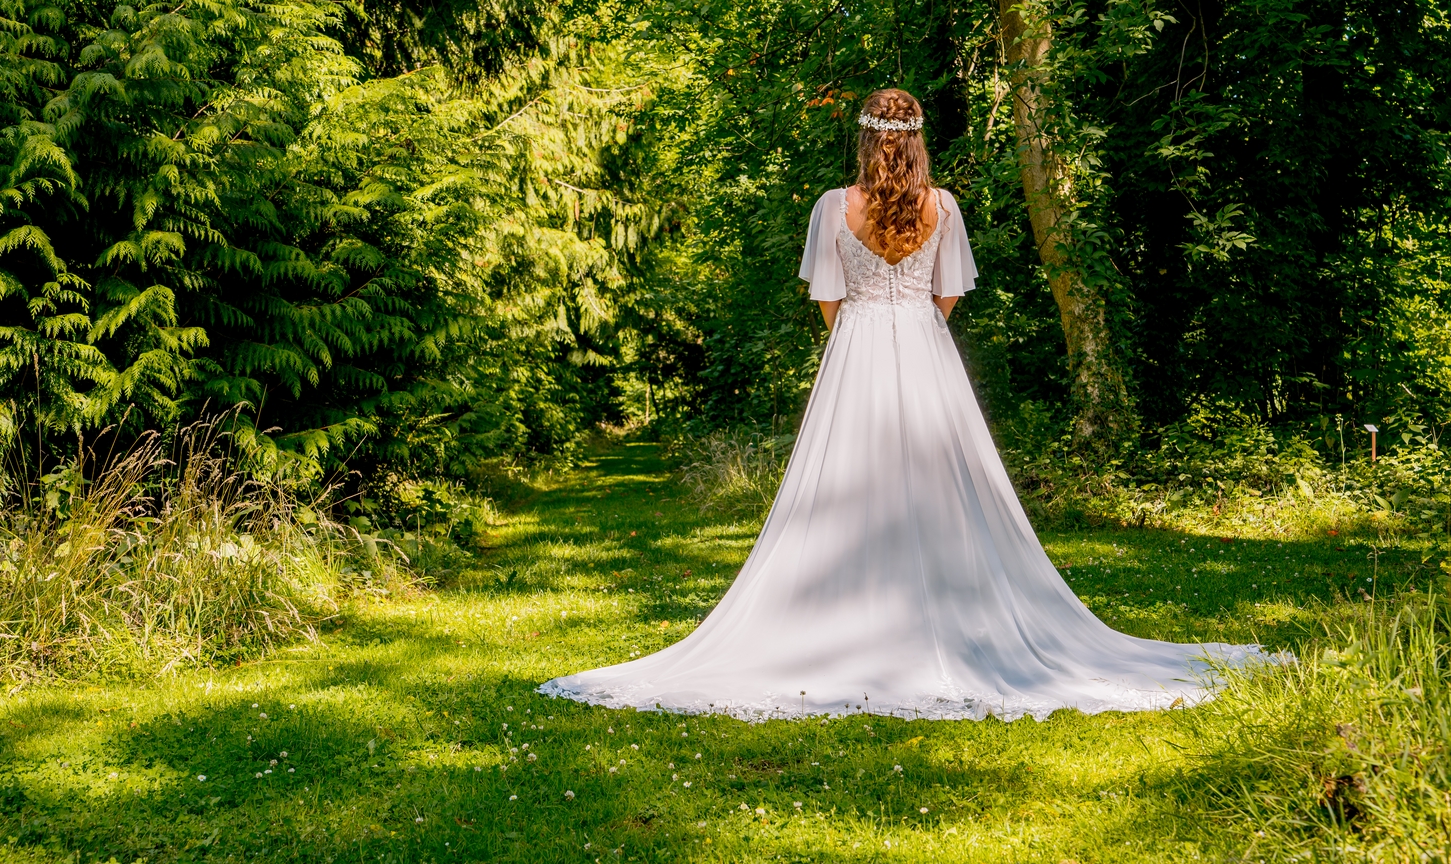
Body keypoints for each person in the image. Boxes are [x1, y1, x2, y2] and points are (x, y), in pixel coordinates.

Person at [539, 88, 1261, 722]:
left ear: (865, 139)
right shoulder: (943, 206)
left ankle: (843, 619)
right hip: (924, 346)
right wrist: (914, 327)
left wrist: (857, 332)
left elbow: (827, 297)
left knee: (842, 485)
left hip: (855, 346)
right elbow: (947, 293)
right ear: (916, 142)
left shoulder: (834, 207)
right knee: (942, 485)